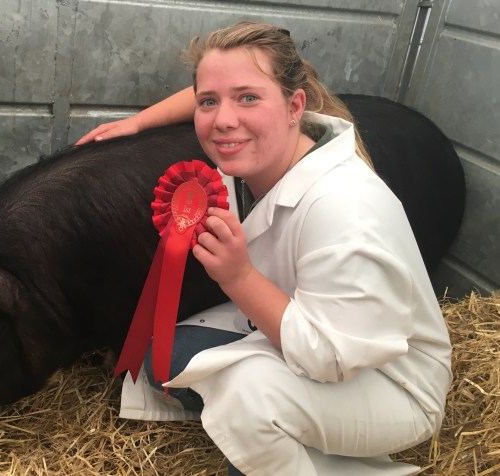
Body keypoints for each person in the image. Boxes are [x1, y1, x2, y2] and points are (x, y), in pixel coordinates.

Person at [78, 22, 452, 476]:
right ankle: (281, 430)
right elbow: (214, 91)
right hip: (301, 331)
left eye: (248, 98)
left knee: (244, 397)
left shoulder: (346, 207)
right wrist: (137, 123)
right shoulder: (263, 153)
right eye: (209, 103)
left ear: (296, 106)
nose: (223, 120)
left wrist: (239, 279)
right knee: (161, 359)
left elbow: (331, 355)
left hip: (388, 384)